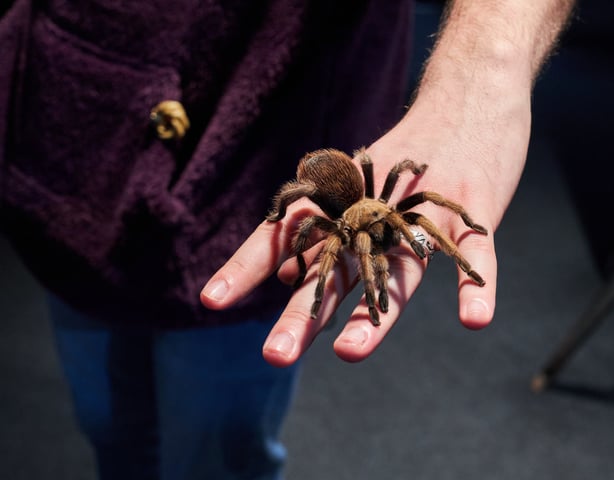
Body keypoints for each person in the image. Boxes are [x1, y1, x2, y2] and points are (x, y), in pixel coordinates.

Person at [0, 0, 574, 478]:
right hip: (76, 149)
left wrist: (484, 71)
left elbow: (413, 213)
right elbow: (324, 244)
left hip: (286, 118)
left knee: (217, 451)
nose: (378, 239)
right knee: (111, 426)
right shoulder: (330, 221)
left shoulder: (386, 198)